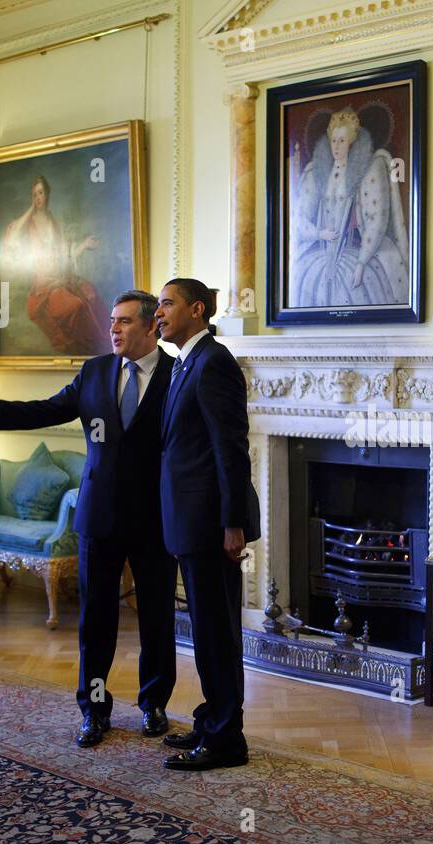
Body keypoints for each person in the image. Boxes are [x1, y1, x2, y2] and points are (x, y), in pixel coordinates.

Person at [0, 291, 178, 749]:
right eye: (111, 322)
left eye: (123, 322)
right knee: (95, 619)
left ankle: (154, 704)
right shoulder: (95, 371)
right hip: (98, 515)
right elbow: (49, 409)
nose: (113, 329)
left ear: (149, 326)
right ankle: (94, 711)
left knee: (156, 615)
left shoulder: (177, 374)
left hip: (157, 516)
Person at [155, 278, 260, 772]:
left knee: (217, 634)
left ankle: (225, 741)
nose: (158, 312)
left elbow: (230, 449)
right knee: (206, 631)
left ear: (197, 310)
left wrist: (233, 523)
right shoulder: (184, 362)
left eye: (167, 304)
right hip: (190, 522)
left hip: (211, 526)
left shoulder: (214, 362)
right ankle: (211, 719)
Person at [288, 107, 410, 308]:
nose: (336, 146)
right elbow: (298, 218)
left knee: (357, 285)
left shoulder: (370, 168)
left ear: (352, 141)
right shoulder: (315, 173)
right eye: (333, 140)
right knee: (305, 278)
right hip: (321, 252)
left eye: (342, 140)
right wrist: (319, 234)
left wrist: (362, 263)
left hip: (359, 250)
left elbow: (376, 220)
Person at [1, 175, 109, 356]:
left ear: (48, 194)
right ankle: (86, 347)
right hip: (44, 285)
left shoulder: (56, 224)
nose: (38, 198)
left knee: (90, 294)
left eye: (41, 193)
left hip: (62, 278)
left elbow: (66, 254)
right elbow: (13, 235)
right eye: (34, 194)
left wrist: (84, 245)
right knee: (76, 306)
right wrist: (30, 209)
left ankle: (104, 346)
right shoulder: (28, 224)